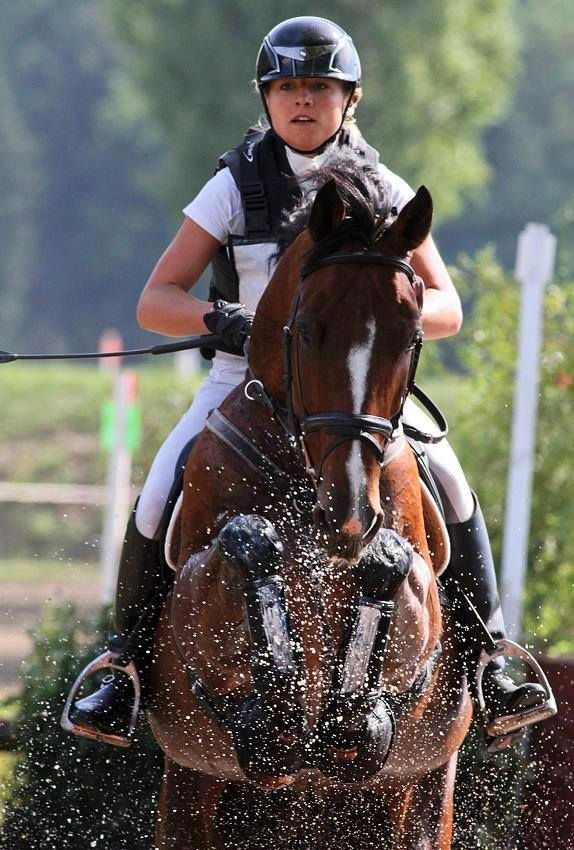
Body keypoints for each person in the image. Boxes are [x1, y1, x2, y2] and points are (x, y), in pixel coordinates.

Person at [65, 16, 552, 748]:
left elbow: (446, 305)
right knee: (160, 487)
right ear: (266, 99)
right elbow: (154, 300)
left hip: (354, 395)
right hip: (244, 381)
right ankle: (123, 668)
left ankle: (493, 659)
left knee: (450, 482)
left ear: (349, 99)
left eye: (318, 87)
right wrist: (224, 319)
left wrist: (397, 314)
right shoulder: (233, 186)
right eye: (287, 87)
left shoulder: (383, 188)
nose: (301, 101)